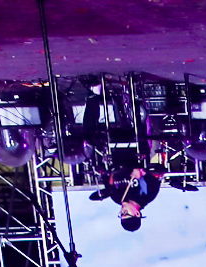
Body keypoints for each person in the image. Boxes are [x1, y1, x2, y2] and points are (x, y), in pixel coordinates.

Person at [75, 79, 196, 231]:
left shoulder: (116, 198)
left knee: (88, 138)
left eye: (121, 215)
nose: (122, 211)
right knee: (143, 134)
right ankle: (136, 95)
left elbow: (107, 178)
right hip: (137, 152)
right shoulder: (148, 195)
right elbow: (158, 172)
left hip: (116, 153)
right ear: (137, 214)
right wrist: (142, 172)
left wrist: (104, 172)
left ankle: (94, 95)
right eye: (126, 214)